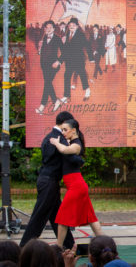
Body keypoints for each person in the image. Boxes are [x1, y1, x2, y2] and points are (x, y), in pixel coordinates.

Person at [20, 111, 80, 248]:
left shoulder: (50, 136)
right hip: (49, 182)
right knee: (39, 216)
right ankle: (24, 248)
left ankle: (69, 245)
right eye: (68, 124)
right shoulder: (59, 137)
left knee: (57, 216)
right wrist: (80, 160)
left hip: (46, 180)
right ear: (64, 122)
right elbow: (70, 156)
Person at [49, 118, 102, 247]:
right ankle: (105, 244)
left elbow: (64, 150)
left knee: (62, 218)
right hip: (77, 185)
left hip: (76, 186)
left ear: (73, 131)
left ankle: (59, 247)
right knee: (91, 218)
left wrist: (56, 142)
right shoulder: (71, 142)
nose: (63, 132)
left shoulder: (77, 145)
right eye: (62, 130)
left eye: (65, 130)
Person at [55, 17, 93, 104]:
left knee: (82, 75)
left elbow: (87, 45)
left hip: (78, 60)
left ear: (77, 26)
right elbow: (65, 50)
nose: (71, 27)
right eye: (70, 25)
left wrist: (91, 58)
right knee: (67, 76)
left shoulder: (81, 35)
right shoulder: (68, 35)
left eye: (73, 25)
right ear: (68, 26)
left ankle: (87, 90)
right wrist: (60, 60)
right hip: (69, 61)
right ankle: (67, 96)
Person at [36, 20, 63, 114]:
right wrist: (39, 48)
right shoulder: (43, 39)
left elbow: (65, 52)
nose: (48, 29)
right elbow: (41, 53)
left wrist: (58, 61)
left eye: (50, 27)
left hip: (53, 66)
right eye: (46, 27)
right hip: (44, 65)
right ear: (44, 29)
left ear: (54, 29)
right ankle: (56, 101)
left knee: (47, 83)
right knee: (48, 83)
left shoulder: (57, 39)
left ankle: (42, 106)